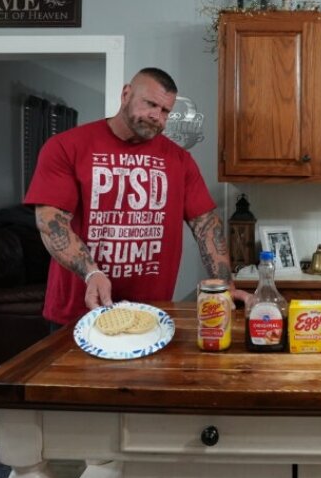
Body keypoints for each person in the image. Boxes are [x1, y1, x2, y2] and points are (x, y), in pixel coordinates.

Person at [25, 67, 248, 327]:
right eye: (150, 104)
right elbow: (51, 223)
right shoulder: (67, 146)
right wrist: (91, 273)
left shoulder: (179, 160)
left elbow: (207, 225)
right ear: (126, 94)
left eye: (165, 111)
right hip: (78, 312)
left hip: (149, 314)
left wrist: (225, 285)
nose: (157, 116)